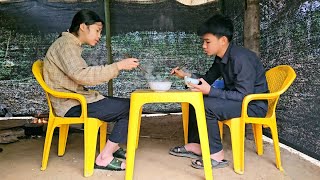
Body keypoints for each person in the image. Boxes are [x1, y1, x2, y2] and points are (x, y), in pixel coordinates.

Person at [43, 9, 139, 171]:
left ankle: (113, 147)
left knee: (129, 104)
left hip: (75, 99)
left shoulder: (69, 43)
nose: (99, 35)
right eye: (97, 30)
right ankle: (104, 158)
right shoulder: (66, 46)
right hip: (70, 104)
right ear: (83, 27)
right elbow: (81, 75)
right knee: (130, 107)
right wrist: (118, 66)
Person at [169, 14, 269, 169]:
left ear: (223, 40)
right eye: (203, 41)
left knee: (207, 105)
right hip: (237, 100)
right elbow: (207, 79)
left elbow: (244, 95)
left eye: (207, 41)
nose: (203, 45)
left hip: (253, 105)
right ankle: (198, 145)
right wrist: (186, 75)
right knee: (195, 99)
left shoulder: (241, 58)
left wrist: (210, 91)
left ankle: (216, 155)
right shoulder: (220, 58)